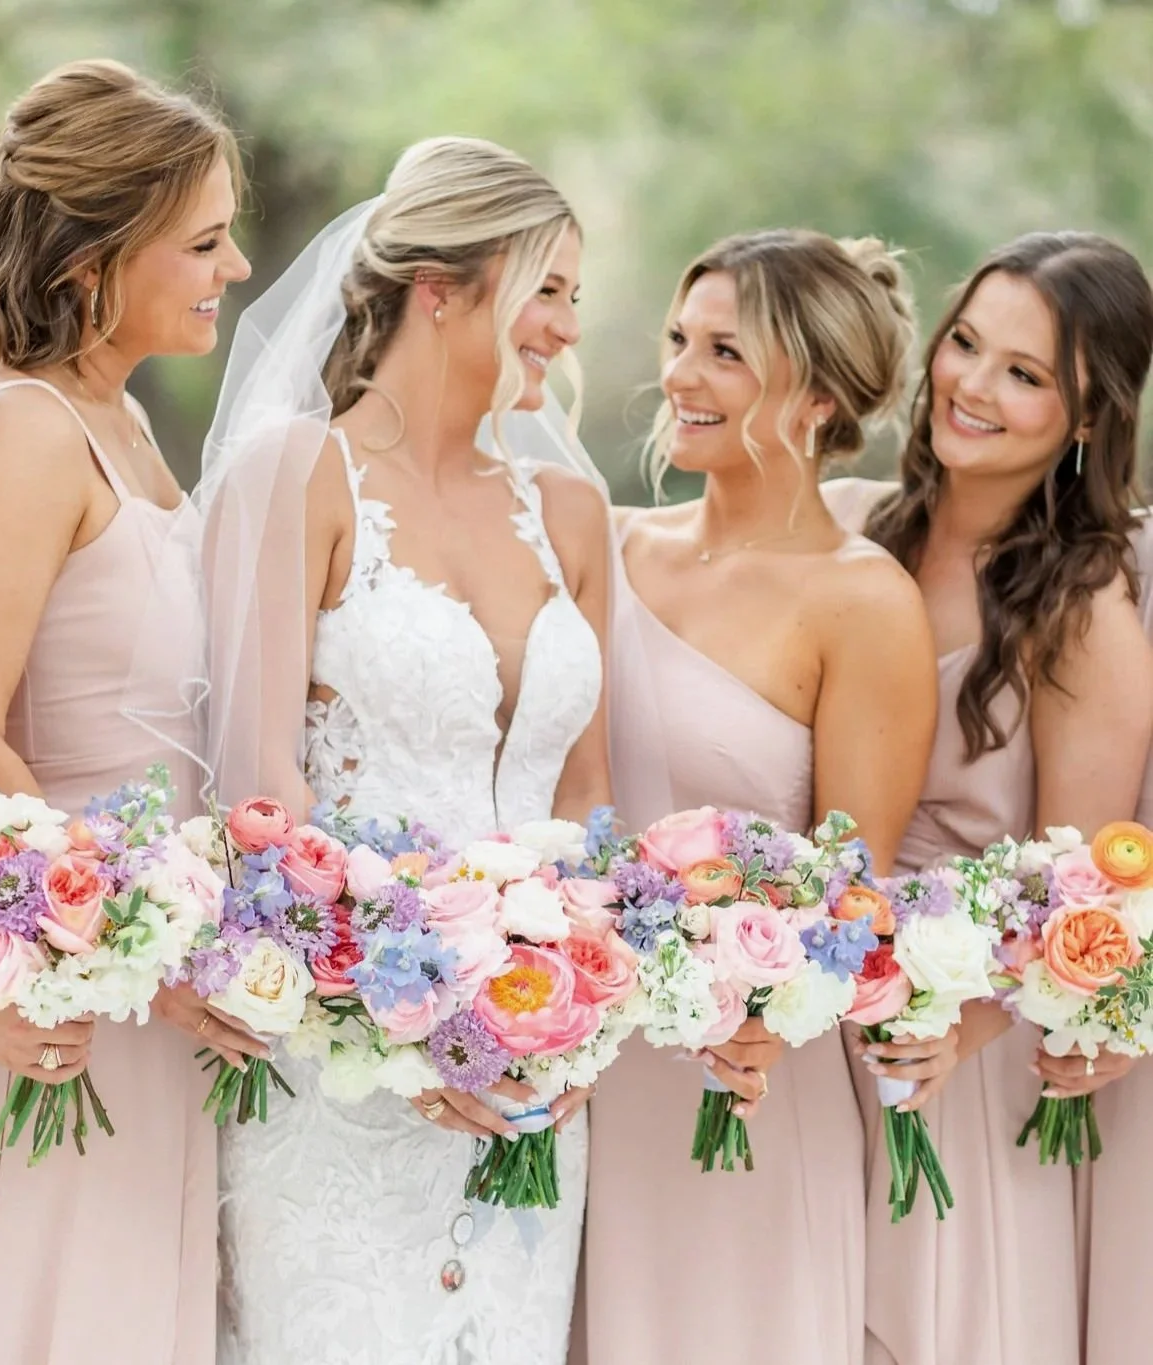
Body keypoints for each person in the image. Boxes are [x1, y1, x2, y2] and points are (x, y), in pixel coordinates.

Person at [203, 136, 612, 1365]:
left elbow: (590, 805)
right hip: (343, 1067)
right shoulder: (300, 472)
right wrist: (400, 1026)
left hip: (533, 1076)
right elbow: (260, 787)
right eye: (545, 290)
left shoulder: (574, 517)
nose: (565, 330)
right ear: (439, 289)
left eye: (575, 301)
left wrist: (577, 1015)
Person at [0, 60, 255, 1365]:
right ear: (98, 254)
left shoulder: (124, 421)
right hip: (69, 992)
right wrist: (140, 950)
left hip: (155, 982)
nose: (240, 264)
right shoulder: (29, 431)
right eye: (206, 241)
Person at [586, 228, 936, 1365]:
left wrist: (753, 1018)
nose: (679, 377)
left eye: (724, 354)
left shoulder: (862, 600)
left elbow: (853, 888)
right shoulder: (610, 544)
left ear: (820, 396)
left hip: (736, 1088)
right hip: (568, 1050)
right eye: (680, 341)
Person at [823, 230, 1153, 1365]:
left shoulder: (1084, 603)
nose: (969, 385)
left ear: (1091, 418)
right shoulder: (847, 525)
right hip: (806, 1026)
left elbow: (1078, 889)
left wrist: (955, 1027)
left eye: (1023, 375)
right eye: (965, 344)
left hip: (954, 1066)